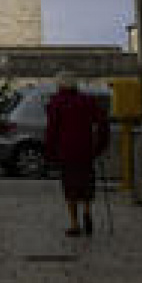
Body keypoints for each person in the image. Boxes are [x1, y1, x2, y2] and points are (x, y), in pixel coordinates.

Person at [44, 75, 109, 236]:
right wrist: (100, 145)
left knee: (70, 186)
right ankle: (87, 210)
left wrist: (50, 152)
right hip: (86, 149)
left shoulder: (56, 103)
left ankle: (74, 224)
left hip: (66, 151)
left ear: (60, 86)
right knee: (86, 182)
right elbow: (102, 122)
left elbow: (52, 130)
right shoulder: (87, 101)